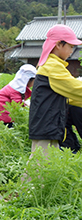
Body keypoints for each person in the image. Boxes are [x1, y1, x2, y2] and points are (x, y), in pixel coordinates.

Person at [28, 24, 82, 156]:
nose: (72, 51)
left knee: (44, 167)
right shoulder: (52, 67)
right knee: (39, 168)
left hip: (49, 125)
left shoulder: (53, 64)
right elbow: (76, 89)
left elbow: (71, 97)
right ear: (58, 44)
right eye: (70, 46)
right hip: (46, 125)